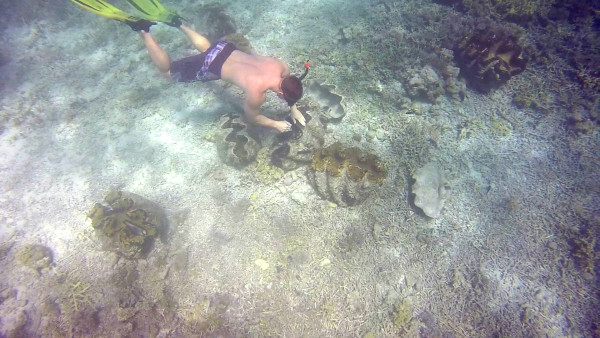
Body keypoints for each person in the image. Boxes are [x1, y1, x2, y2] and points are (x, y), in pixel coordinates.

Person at [70, 0, 308, 133]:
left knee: (208, 47)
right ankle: (143, 29)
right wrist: (276, 123)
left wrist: (293, 108)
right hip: (212, 64)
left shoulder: (281, 66)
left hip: (225, 48)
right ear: (280, 92)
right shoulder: (257, 94)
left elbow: (287, 88)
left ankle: (177, 23)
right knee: (168, 73)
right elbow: (252, 117)